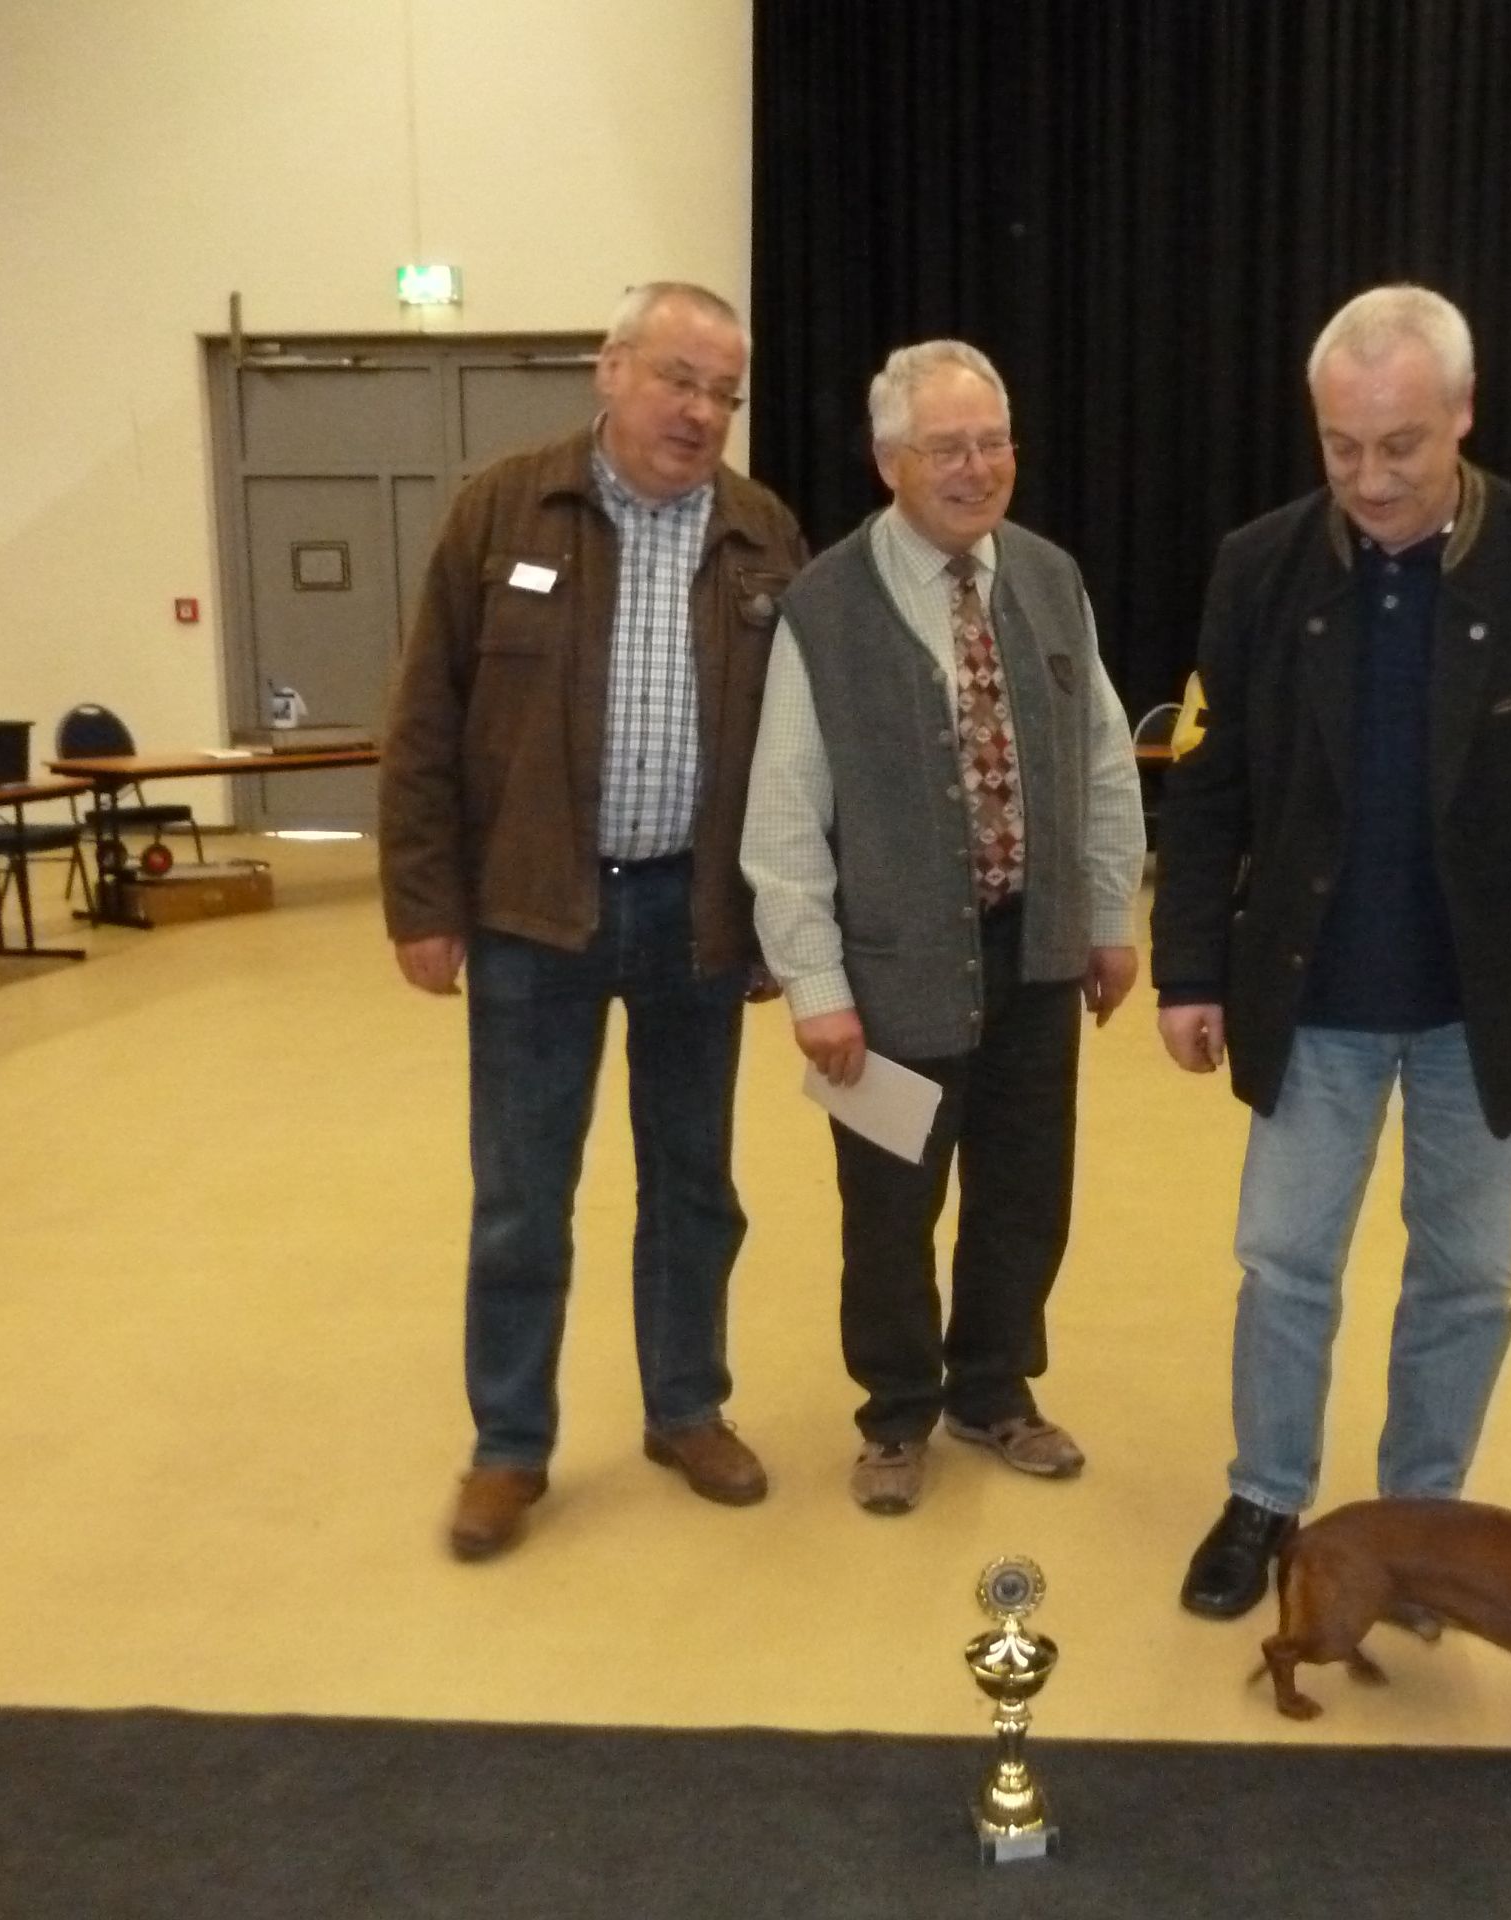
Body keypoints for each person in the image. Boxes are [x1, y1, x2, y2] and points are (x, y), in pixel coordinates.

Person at [1151, 285, 1511, 1618]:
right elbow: (1209, 784)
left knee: (1466, 1279)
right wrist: (1189, 969)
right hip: (1312, 990)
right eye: (1341, 447)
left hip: (1483, 999)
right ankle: (1266, 1497)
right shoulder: (1260, 566)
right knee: (1285, 1262)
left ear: (1462, 415)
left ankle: (1421, 1521)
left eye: (1399, 445)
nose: (1370, 478)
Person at [380, 281, 809, 1561]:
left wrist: (784, 923)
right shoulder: (502, 509)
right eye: (680, 379)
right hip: (533, 909)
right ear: (610, 370)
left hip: (695, 912)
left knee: (693, 1184)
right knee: (523, 1194)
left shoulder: (762, 532)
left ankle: (687, 1410)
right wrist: (422, 901)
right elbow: (425, 717)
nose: (701, 412)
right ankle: (509, 1445)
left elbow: (798, 750)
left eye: (724, 393)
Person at [741, 340, 1146, 1516]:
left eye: (992, 443)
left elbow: (1103, 757)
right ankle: (895, 1411)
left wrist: (1107, 915)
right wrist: (816, 986)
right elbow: (783, 811)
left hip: (1035, 956)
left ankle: (994, 1389)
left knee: (1024, 1191)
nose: (977, 469)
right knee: (887, 1211)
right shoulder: (824, 607)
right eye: (946, 448)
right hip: (885, 980)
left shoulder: (1050, 576)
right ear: (888, 462)